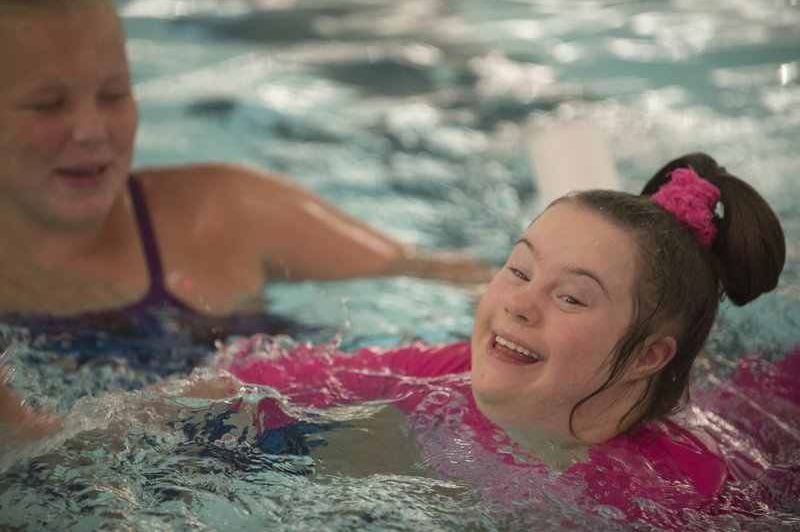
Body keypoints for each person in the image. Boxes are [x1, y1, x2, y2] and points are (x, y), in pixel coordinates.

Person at [1, 152, 792, 524]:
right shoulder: (445, 371)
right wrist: (50, 436)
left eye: (571, 297)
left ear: (653, 353)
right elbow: (273, 378)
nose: (519, 306)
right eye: (518, 271)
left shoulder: (675, 495)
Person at [0, 0, 493, 342]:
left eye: (114, 94)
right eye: (48, 105)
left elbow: (438, 274)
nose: (90, 130)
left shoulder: (226, 210)